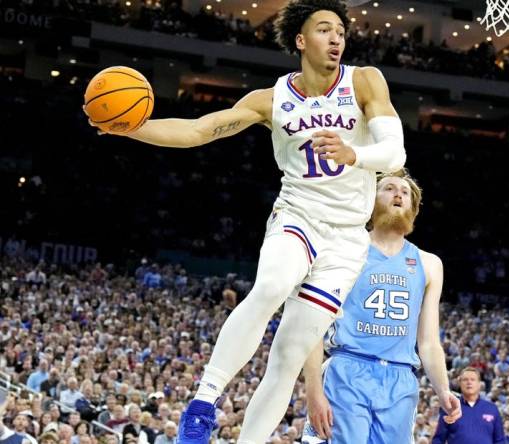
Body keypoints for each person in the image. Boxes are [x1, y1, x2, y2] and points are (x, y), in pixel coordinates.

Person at [86, 0, 406, 442]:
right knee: (273, 284)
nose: (336, 39)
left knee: (290, 355)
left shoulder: (365, 81)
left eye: (340, 32)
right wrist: (130, 128)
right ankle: (201, 406)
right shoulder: (271, 100)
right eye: (324, 30)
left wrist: (355, 153)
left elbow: (395, 153)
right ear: (300, 40)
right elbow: (201, 129)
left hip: (348, 238)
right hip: (300, 214)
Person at [301, 170, 461, 443]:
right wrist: (313, 391)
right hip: (348, 369)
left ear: (414, 208)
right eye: (388, 188)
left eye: (405, 192)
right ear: (370, 200)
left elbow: (429, 342)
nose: (398, 193)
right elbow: (313, 327)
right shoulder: (345, 250)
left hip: (400, 379)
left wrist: (443, 389)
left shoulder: (429, 263)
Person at [432, 367, 505, 444]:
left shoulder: (492, 409)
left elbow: (500, 440)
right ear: (459, 383)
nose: (469, 382)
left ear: (479, 384)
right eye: (465, 380)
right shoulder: (450, 408)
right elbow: (438, 439)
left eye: (473, 379)